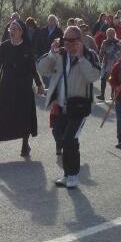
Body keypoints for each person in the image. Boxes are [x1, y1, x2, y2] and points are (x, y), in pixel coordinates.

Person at [37, 27, 101, 189]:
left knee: (69, 139)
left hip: (79, 106)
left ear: (79, 41)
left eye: (71, 40)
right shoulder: (61, 55)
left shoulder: (90, 55)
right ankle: (67, 174)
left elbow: (93, 76)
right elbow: (41, 68)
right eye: (64, 40)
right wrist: (52, 53)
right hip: (62, 105)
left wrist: (80, 58)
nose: (66, 43)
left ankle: (72, 175)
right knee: (59, 135)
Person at [0, 21, 45, 159]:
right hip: (6, 85)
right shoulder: (4, 46)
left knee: (23, 116)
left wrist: (39, 84)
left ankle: (25, 145)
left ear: (21, 32)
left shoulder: (27, 48)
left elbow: (32, 68)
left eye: (15, 29)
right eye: (11, 28)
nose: (12, 30)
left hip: (23, 87)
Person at [97, 29, 121, 101]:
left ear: (114, 33)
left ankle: (112, 94)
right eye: (108, 33)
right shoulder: (105, 42)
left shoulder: (118, 42)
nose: (110, 35)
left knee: (113, 78)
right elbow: (101, 52)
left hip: (115, 63)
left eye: (111, 33)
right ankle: (102, 95)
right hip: (106, 62)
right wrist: (100, 58)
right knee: (103, 78)